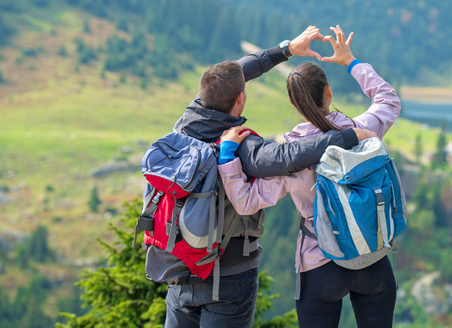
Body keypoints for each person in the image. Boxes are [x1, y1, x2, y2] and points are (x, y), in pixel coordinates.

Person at [158, 25, 377, 328]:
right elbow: (289, 157)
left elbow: (234, 74)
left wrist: (286, 49)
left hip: (180, 268)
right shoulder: (244, 147)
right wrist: (348, 135)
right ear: (241, 100)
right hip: (229, 275)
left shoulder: (185, 123)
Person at [218, 25, 401, 328]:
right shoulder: (362, 131)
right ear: (328, 93)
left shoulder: (289, 158)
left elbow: (246, 202)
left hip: (319, 265)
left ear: (295, 104)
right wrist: (351, 62)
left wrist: (227, 155)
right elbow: (388, 100)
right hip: (372, 257)